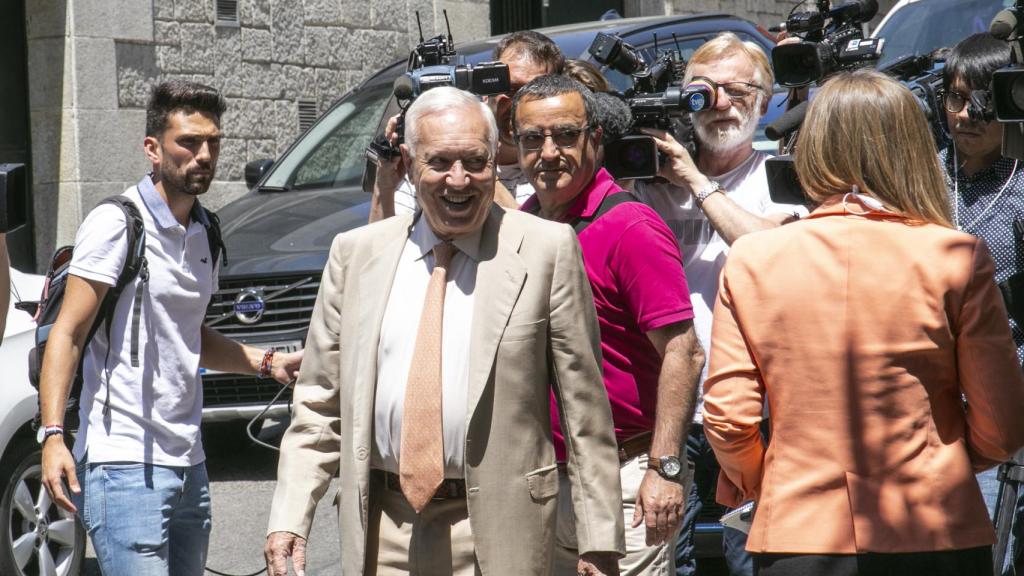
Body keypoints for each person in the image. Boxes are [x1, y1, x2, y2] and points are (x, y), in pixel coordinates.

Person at [264, 86, 625, 576]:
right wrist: (288, 518)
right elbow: (318, 405)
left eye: (475, 162)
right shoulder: (356, 254)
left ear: (496, 161)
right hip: (382, 533)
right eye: (440, 163)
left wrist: (599, 539)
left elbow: (586, 413)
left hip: (500, 532)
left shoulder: (546, 250)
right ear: (410, 164)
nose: (460, 180)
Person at [703, 68, 1024, 576]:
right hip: (933, 526)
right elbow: (1001, 425)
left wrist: (767, 479)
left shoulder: (753, 259)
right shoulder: (955, 256)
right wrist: (947, 461)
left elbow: (729, 418)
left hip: (798, 530)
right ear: (912, 147)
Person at [37, 80, 303, 576]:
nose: (203, 155)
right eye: (189, 142)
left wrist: (268, 363)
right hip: (122, 465)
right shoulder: (117, 225)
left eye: (213, 143)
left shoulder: (207, 230)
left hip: (190, 463)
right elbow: (68, 334)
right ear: (153, 149)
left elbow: (188, 336)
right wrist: (53, 435)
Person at [514, 74, 705, 576]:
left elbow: (684, 352)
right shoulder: (524, 222)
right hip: (541, 482)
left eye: (565, 135)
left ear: (595, 139)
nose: (548, 152)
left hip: (624, 480)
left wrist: (664, 469)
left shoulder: (630, 228)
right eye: (533, 138)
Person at [629, 32, 803, 576]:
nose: (720, 104)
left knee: (751, 559)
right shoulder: (643, 178)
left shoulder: (782, 177)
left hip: (751, 409)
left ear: (767, 98)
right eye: (703, 91)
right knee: (664, 558)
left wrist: (694, 179)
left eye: (736, 90)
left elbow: (766, 249)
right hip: (665, 408)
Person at [941, 32, 1024, 574]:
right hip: (934, 405)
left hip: (1004, 402)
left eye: (984, 103)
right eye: (954, 97)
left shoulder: (1021, 181)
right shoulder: (921, 174)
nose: (966, 114)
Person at [369, 30, 565, 221]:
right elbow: (382, 248)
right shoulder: (435, 164)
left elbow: (539, 246)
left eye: (531, 93)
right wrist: (384, 185)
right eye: (507, 87)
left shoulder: (558, 166)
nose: (515, 102)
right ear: (486, 87)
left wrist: (484, 167)